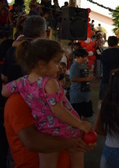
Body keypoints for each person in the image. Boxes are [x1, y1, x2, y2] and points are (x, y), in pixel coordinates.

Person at [2, 39, 92, 168]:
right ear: (41, 65)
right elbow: (58, 110)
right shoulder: (50, 83)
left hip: (44, 128)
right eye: (56, 63)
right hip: (64, 127)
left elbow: (5, 91)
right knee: (77, 156)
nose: (58, 67)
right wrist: (79, 124)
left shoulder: (21, 82)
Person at [99, 36, 119, 103]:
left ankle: (102, 112)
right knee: (118, 100)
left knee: (103, 99)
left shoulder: (104, 53)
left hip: (106, 78)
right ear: (117, 43)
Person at [69, 48, 96, 120]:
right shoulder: (74, 66)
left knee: (86, 114)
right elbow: (72, 79)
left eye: (85, 57)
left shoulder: (84, 65)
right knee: (76, 116)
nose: (85, 59)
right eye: (82, 57)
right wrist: (86, 79)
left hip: (86, 93)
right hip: (77, 94)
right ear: (77, 57)